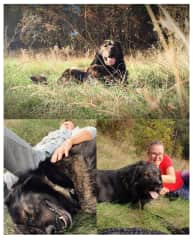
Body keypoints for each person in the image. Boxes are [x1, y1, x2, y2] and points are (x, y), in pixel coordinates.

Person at [4, 120, 96, 192]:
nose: (66, 124)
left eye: (69, 123)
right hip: (27, 164)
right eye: (64, 123)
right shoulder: (50, 136)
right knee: (6, 182)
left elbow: (92, 131)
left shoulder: (75, 133)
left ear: (74, 126)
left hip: (45, 165)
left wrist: (69, 141)